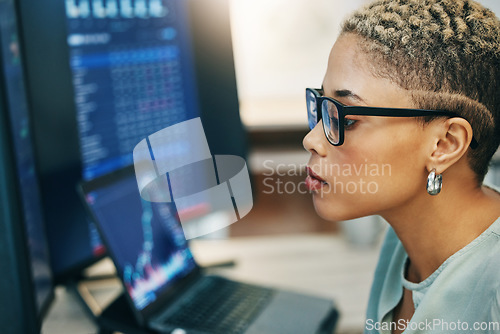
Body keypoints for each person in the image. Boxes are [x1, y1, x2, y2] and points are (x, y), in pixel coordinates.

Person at [302, 0, 500, 333]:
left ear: (444, 144)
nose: (312, 139)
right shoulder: (402, 235)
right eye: (321, 107)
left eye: (346, 119)